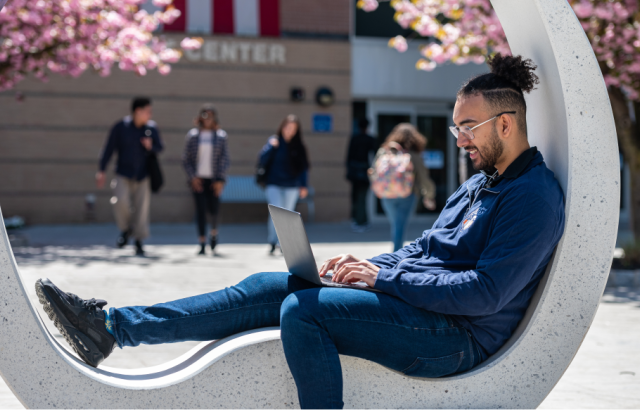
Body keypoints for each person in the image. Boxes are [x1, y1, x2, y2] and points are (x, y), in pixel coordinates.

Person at [36, 54, 565, 410]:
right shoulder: (481, 184)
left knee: (304, 311)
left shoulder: (533, 196)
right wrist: (371, 268)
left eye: (466, 128)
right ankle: (112, 327)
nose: (458, 141)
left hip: (458, 337)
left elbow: (485, 293)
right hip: (421, 309)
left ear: (505, 123)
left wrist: (381, 282)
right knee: (271, 287)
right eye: (455, 129)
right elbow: (425, 249)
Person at [97, 97, 163, 256]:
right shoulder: (121, 127)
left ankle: (139, 241)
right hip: (122, 173)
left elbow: (160, 147)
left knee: (142, 209)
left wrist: (150, 146)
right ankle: (126, 229)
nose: (150, 114)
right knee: (120, 201)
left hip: (143, 175)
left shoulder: (151, 128)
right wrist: (101, 170)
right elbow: (109, 149)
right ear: (137, 111)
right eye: (148, 111)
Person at [372, 123, 436, 252]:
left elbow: (374, 172)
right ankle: (395, 255)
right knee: (399, 226)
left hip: (387, 193)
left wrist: (377, 187)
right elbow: (423, 177)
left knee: (396, 225)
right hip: (408, 194)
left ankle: (395, 253)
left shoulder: (384, 151)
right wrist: (429, 195)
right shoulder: (413, 154)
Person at [182, 104, 230, 256]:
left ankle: (214, 235)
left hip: (214, 179)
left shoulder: (221, 136)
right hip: (198, 179)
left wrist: (220, 180)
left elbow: (224, 159)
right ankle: (202, 242)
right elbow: (186, 159)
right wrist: (192, 177)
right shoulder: (193, 135)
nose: (207, 118)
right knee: (200, 210)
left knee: (214, 209)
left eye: (210, 115)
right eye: (205, 115)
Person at [258, 115, 309, 254]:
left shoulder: (299, 146)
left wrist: (304, 185)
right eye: (287, 127)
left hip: (292, 185)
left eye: (293, 128)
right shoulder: (274, 142)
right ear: (282, 127)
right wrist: (271, 147)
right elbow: (262, 159)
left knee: (288, 213)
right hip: (274, 183)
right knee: (276, 211)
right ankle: (272, 241)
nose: (289, 131)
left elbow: (303, 168)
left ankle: (283, 244)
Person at [345, 118, 377, 232]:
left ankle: (357, 220)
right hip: (365, 172)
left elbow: (348, 157)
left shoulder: (355, 139)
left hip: (355, 172)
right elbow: (376, 157)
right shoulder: (370, 139)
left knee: (356, 197)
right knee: (362, 197)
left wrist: (348, 172)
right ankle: (362, 221)